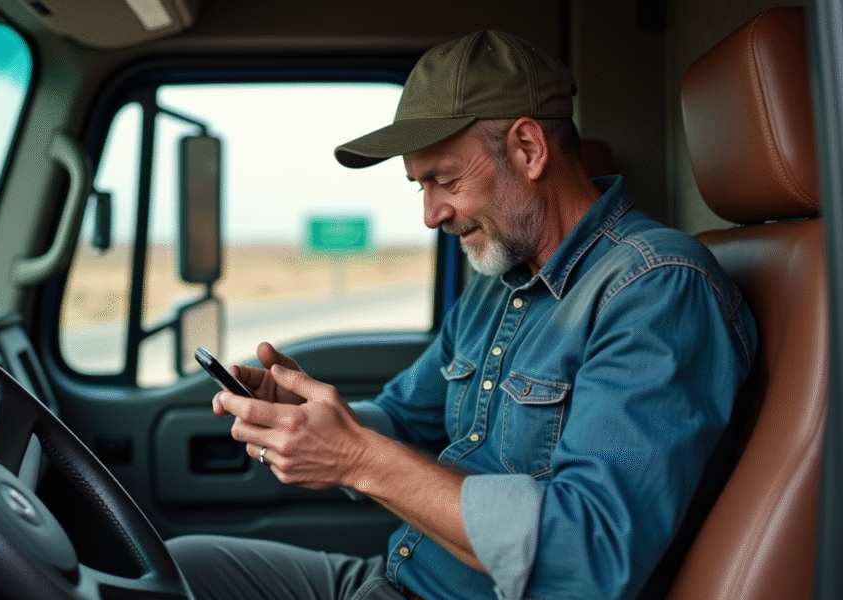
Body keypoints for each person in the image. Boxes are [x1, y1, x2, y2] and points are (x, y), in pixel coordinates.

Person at [167, 29, 757, 600]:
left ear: (529, 149)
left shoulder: (657, 288)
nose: (430, 214)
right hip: (398, 578)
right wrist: (317, 419)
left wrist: (356, 458)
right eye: (418, 187)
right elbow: (404, 420)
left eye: (444, 180)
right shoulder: (497, 283)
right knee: (177, 566)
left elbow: (591, 554)